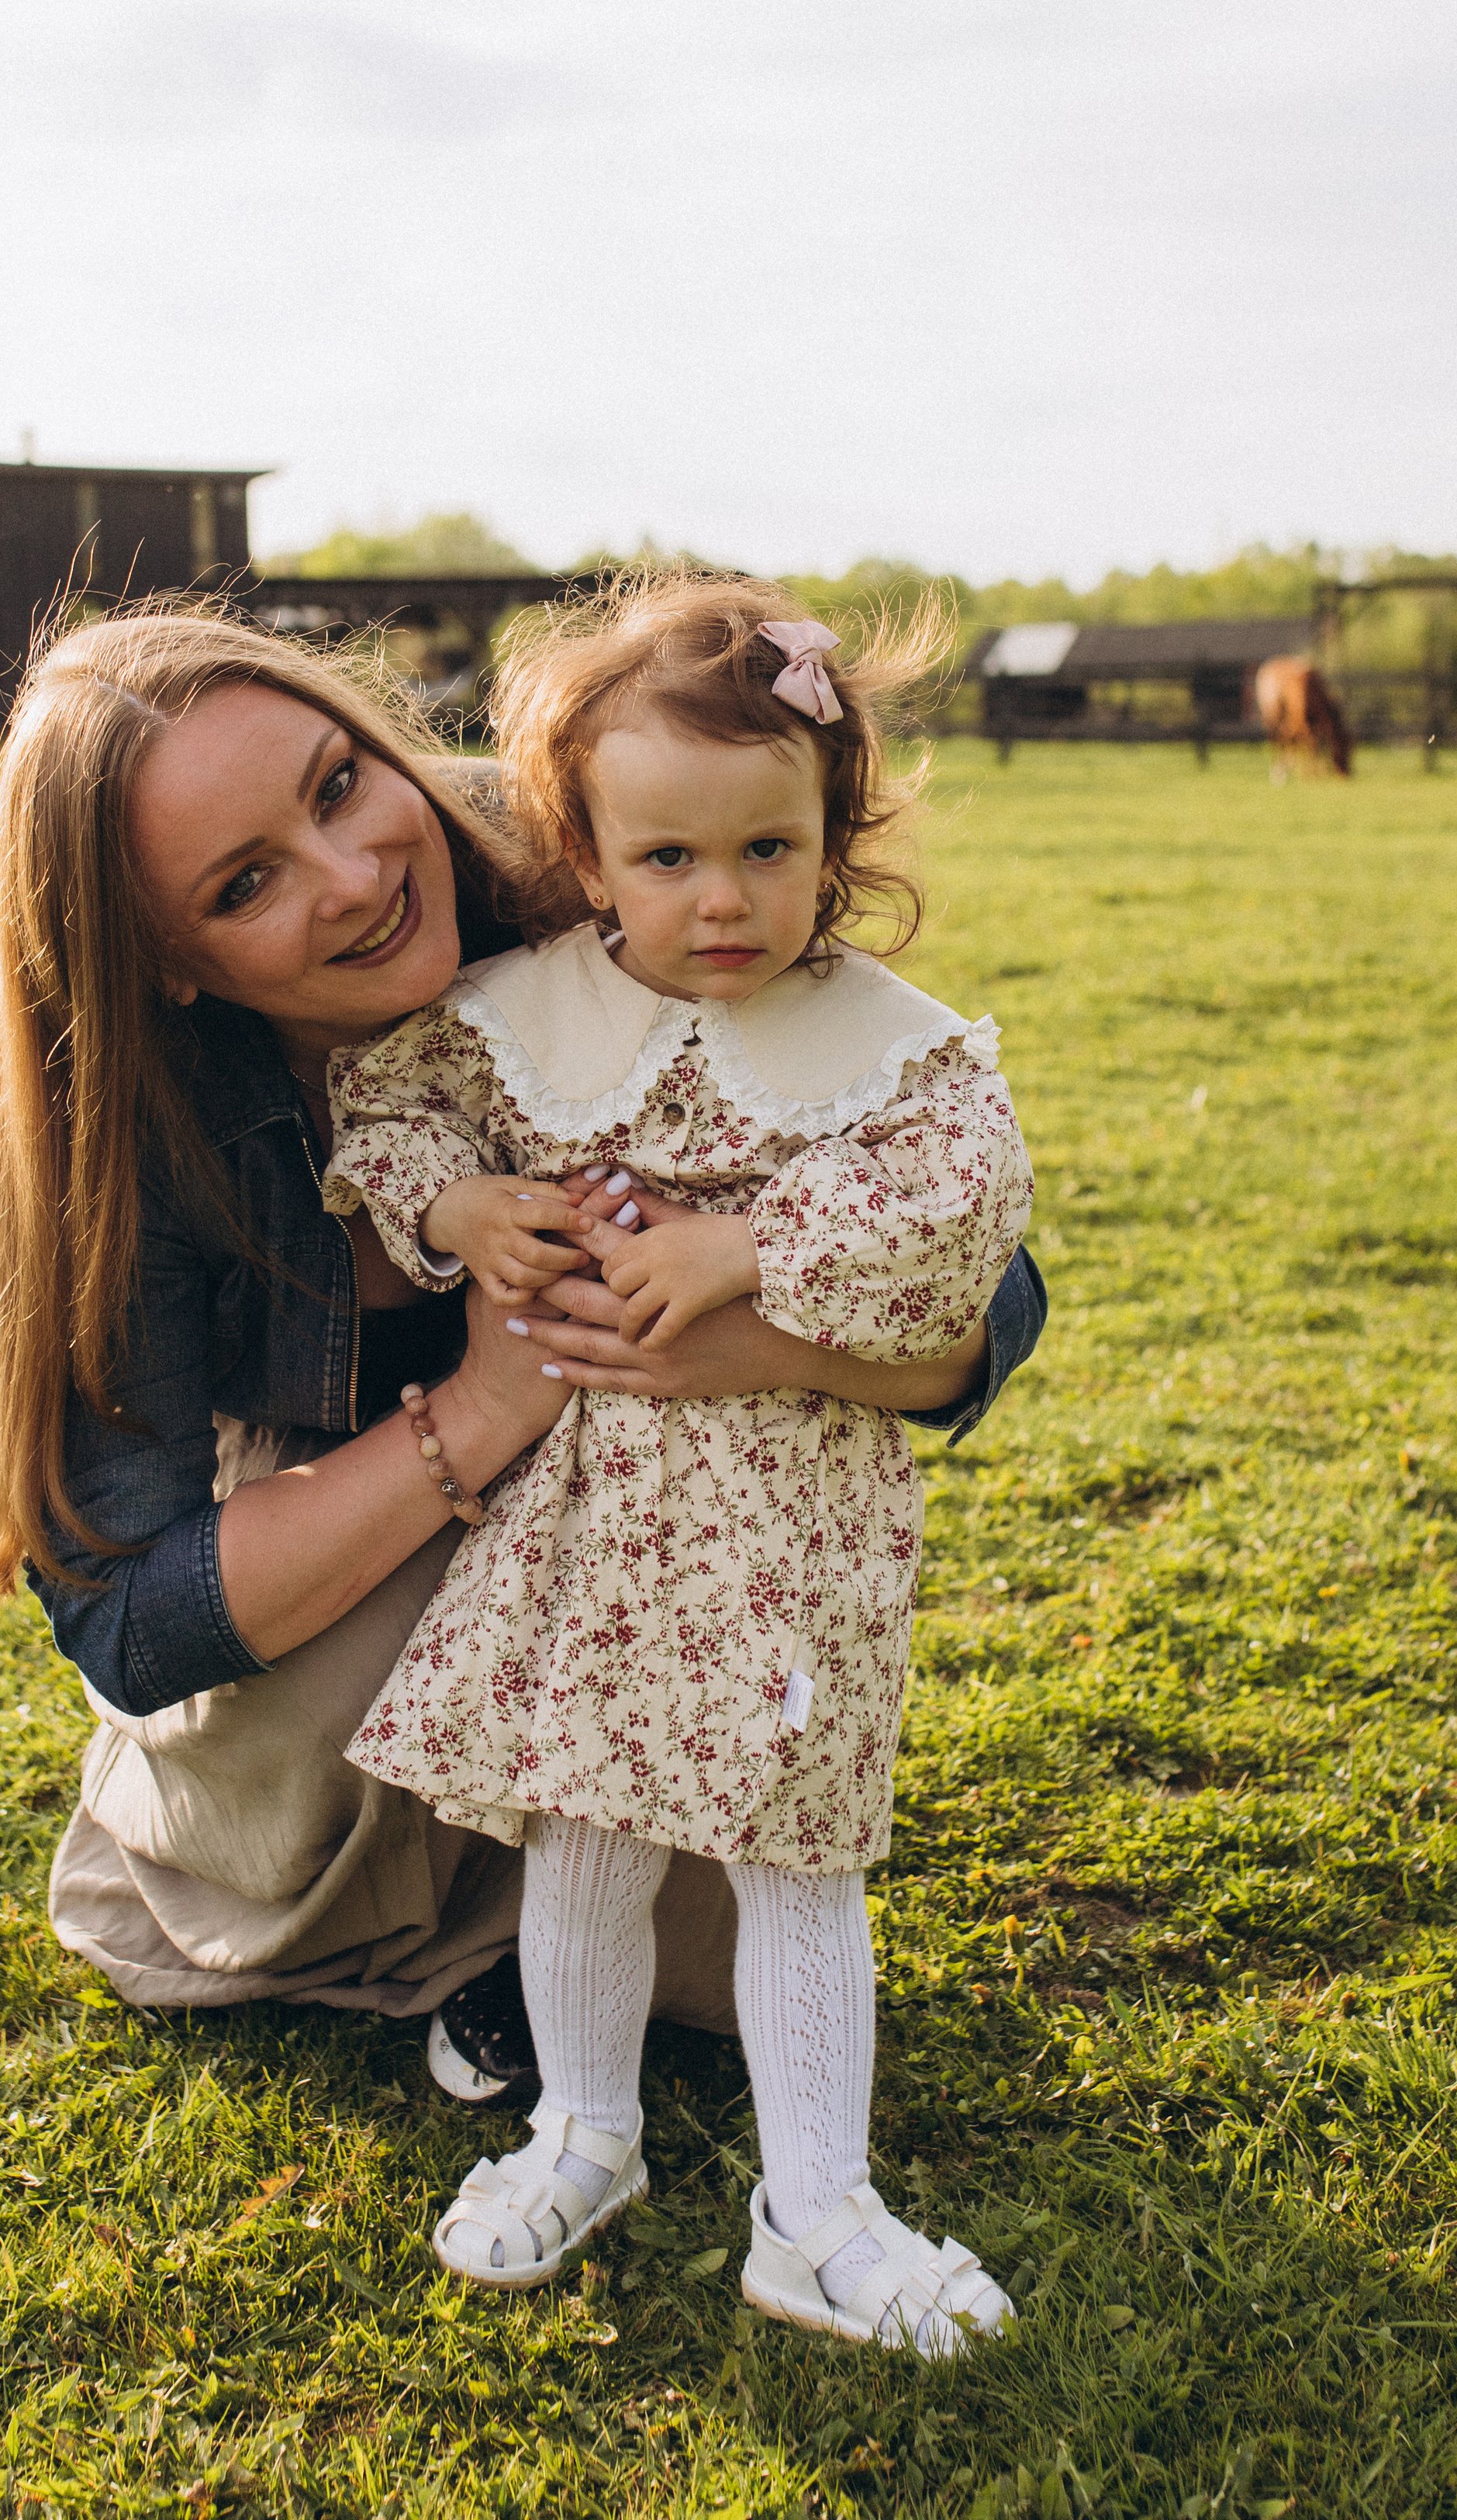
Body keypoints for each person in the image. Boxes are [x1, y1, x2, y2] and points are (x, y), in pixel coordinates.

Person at [0, 600, 1046, 2108]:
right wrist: (487, 1405)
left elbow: (987, 1292)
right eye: (245, 884)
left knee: (700, 1887)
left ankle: (543, 1940)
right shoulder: (104, 1122)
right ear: (167, 962)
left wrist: (735, 1336)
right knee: (440, 1639)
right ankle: (435, 1914)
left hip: (656, 1486)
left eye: (335, 785)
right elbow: (128, 1622)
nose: (353, 876)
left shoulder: (603, 851)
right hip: (346, 1553)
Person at [323, 574, 1027, 2351]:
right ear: (586, 846)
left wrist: (744, 1249)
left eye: (768, 852)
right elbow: (388, 1119)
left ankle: (819, 2211)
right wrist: (464, 1202)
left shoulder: (890, 1047)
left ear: (830, 836)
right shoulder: (515, 1016)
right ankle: (585, 2129)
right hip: (584, 1525)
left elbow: (960, 1220)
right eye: (665, 861)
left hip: (787, 1528)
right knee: (584, 1835)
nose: (721, 903)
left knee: (799, 1861)